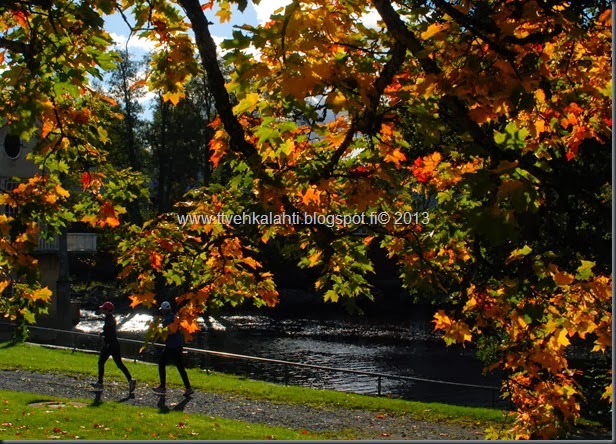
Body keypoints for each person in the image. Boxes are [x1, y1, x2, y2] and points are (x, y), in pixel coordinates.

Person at [91, 301, 136, 392]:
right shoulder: (111, 319)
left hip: (110, 344)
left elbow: (109, 332)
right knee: (111, 363)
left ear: (107, 310)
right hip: (113, 343)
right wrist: (103, 333)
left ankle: (100, 383)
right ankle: (130, 380)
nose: (102, 310)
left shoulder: (108, 319)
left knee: (106, 362)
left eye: (103, 309)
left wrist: (104, 337)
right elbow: (110, 331)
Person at [152, 301, 194, 396]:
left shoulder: (166, 320)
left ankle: (162, 387)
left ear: (163, 310)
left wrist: (157, 333)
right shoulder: (174, 317)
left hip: (171, 346)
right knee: (180, 366)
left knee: (162, 363)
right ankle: (188, 387)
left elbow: (166, 333)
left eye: (162, 310)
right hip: (178, 344)